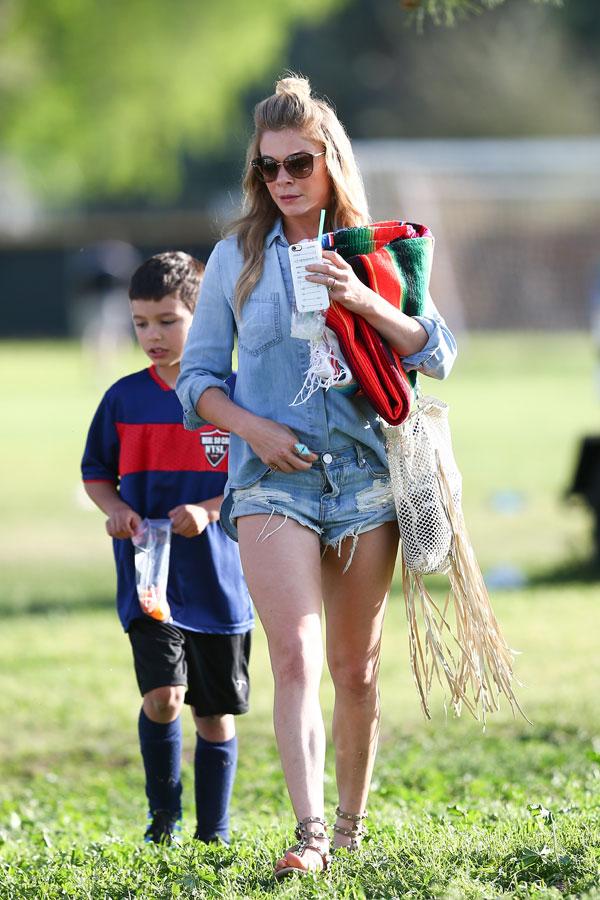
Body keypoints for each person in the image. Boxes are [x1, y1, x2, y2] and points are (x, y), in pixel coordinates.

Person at [177, 76, 457, 876]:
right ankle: (307, 837)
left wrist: (362, 299)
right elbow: (196, 381)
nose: (285, 179)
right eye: (269, 167)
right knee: (293, 655)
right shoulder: (237, 254)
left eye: (300, 161)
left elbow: (436, 353)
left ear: (330, 160)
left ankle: (350, 825)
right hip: (271, 484)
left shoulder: (378, 248)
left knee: (354, 668)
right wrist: (253, 429)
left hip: (367, 480)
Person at [81, 251, 253, 845]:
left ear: (200, 316)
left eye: (167, 321)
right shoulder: (123, 400)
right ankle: (164, 821)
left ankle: (215, 834)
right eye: (140, 323)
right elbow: (97, 473)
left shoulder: (234, 394)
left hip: (222, 581)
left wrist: (208, 513)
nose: (152, 335)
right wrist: (119, 511)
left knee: (213, 713)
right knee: (163, 697)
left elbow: (257, 480)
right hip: (149, 578)